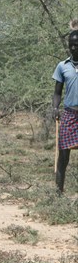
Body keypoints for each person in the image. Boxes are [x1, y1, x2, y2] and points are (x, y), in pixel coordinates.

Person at [52, 30, 78, 193]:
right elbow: (57, 92)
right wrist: (55, 108)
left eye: (77, 45)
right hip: (69, 114)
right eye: (71, 45)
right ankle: (58, 193)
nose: (74, 48)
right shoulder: (63, 66)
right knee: (63, 156)